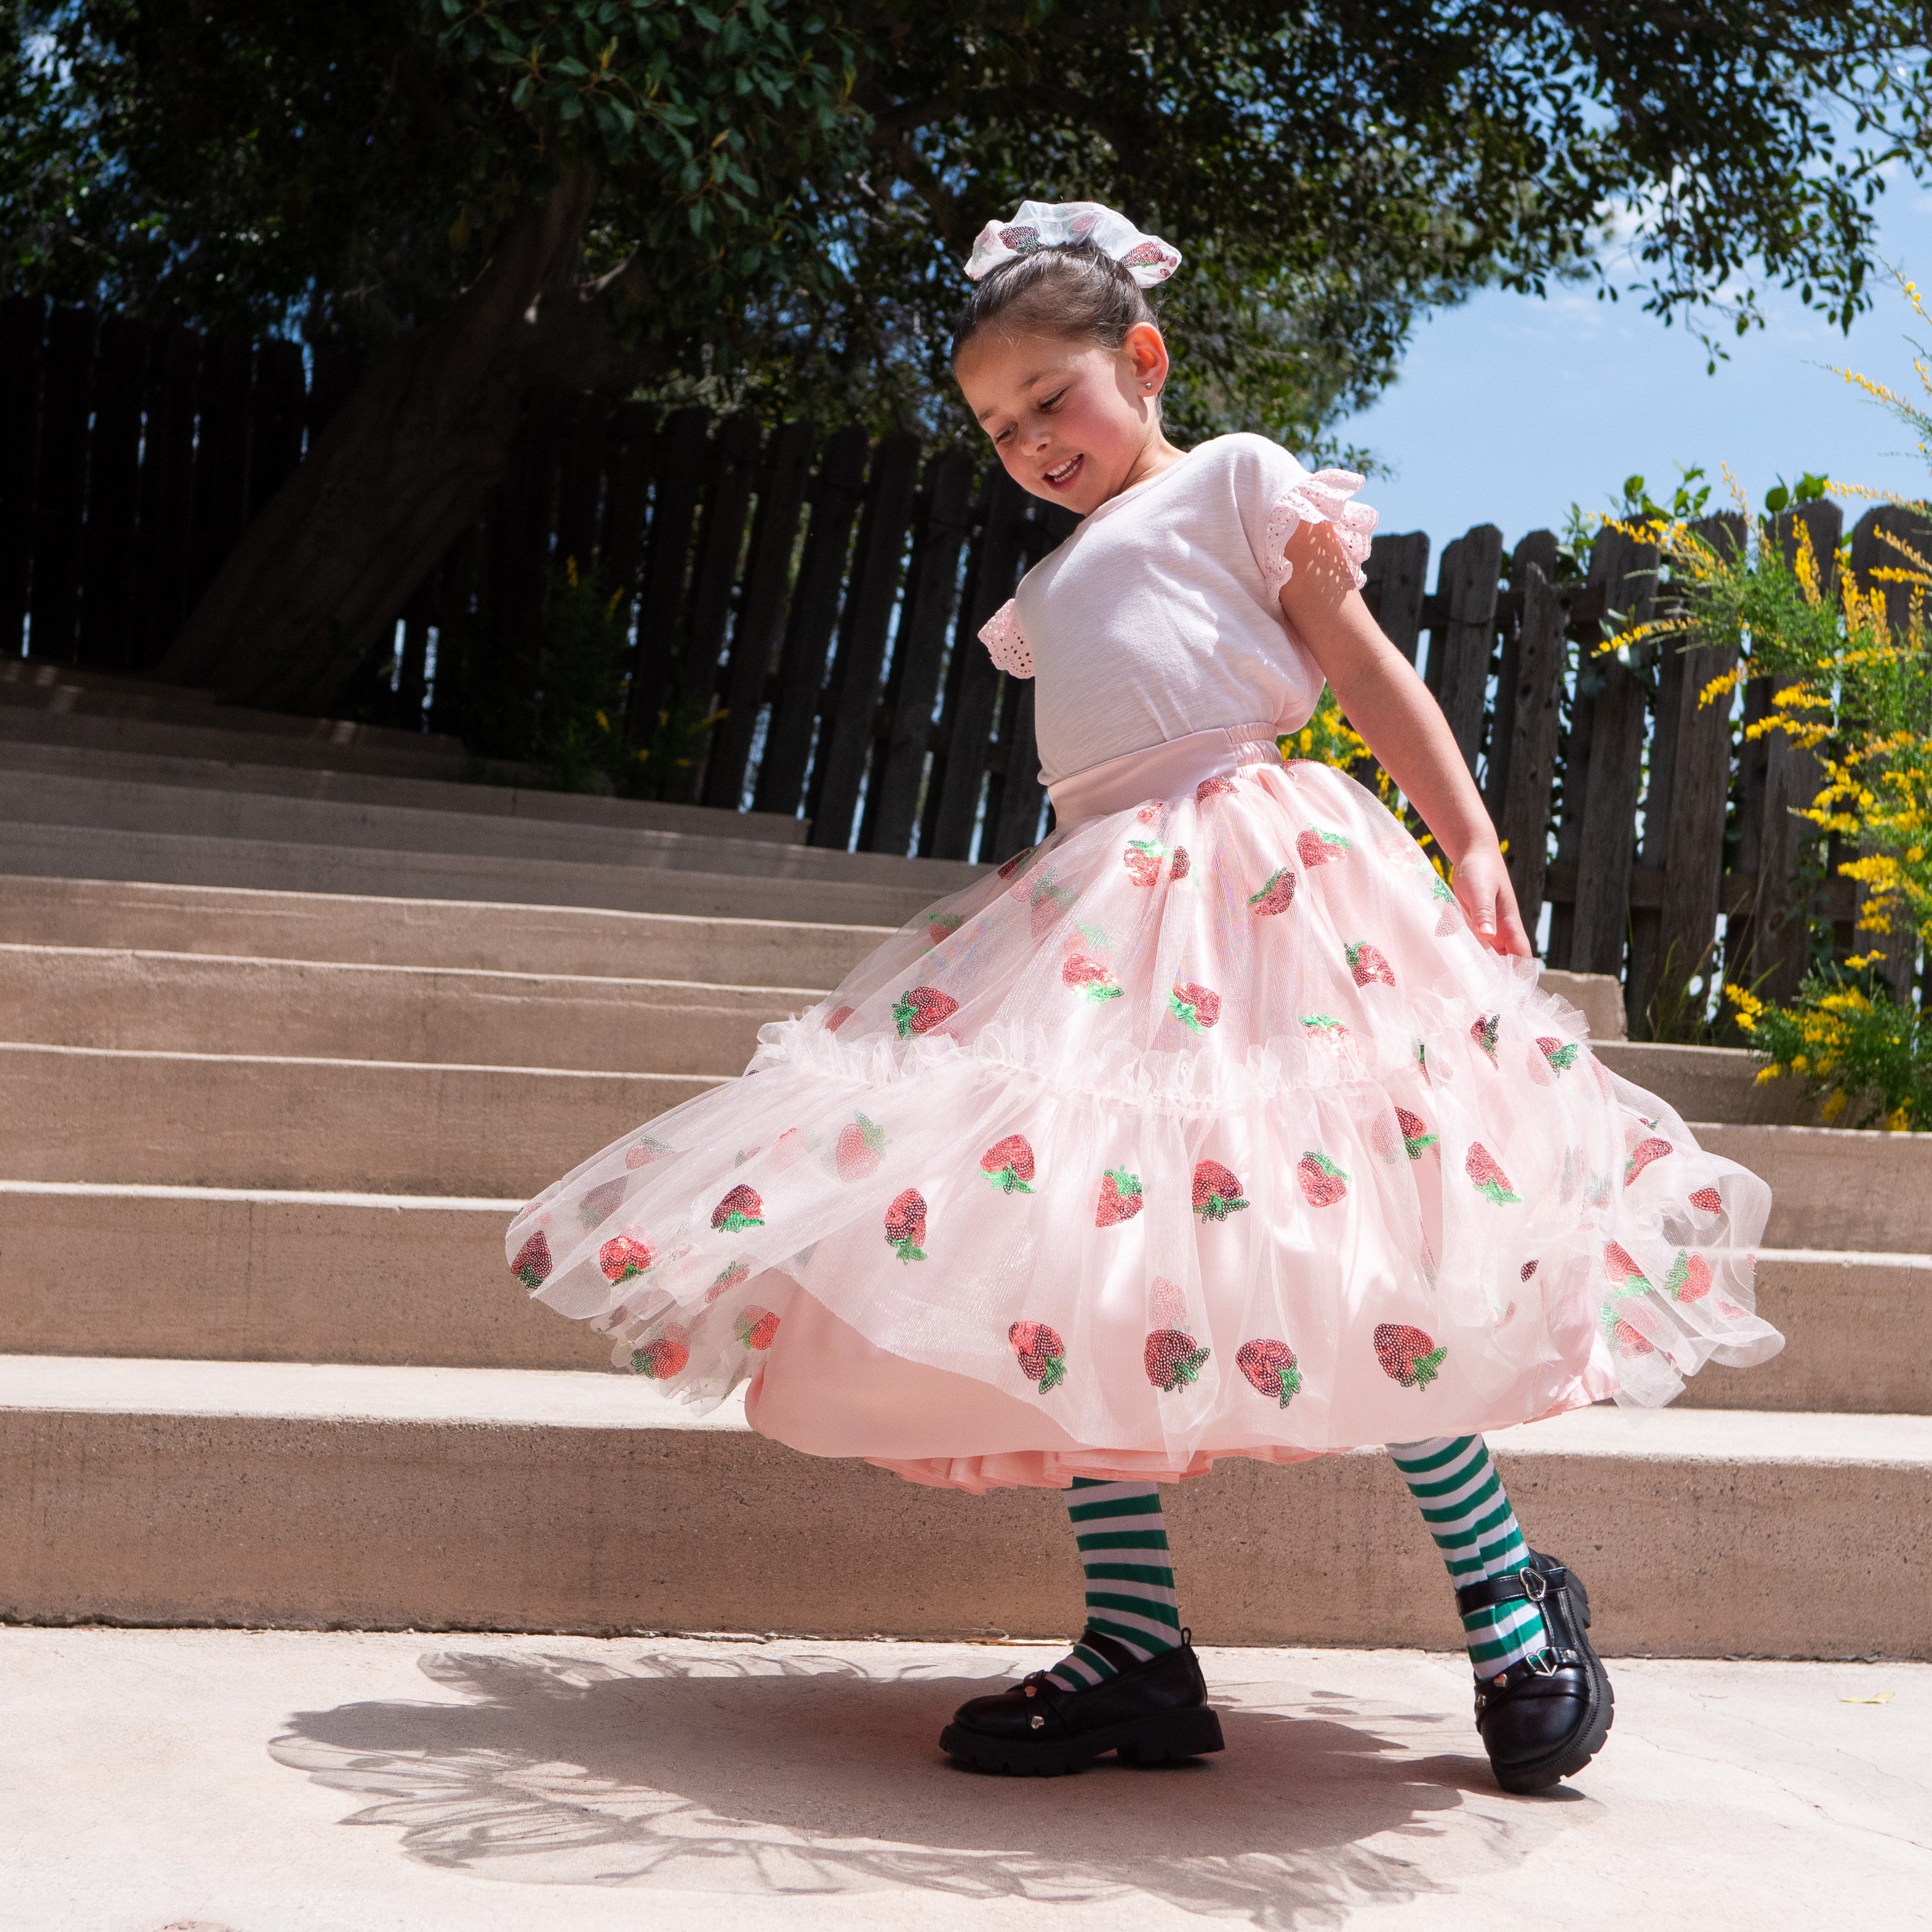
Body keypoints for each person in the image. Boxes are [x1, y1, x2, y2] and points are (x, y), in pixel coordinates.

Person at [505, 199, 1780, 1796]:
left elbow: (1366, 666)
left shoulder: (1237, 481)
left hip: (1275, 896)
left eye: (1054, 397)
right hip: (1113, 924)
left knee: (1363, 1259)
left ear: (1145, 359)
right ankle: (1134, 1645)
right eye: (995, 425)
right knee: (1080, 1268)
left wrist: (1464, 832)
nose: (1031, 439)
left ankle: (1511, 1605)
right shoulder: (1048, 584)